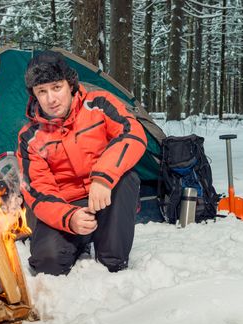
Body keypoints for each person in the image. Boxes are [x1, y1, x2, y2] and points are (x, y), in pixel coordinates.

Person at [16, 50, 147, 275]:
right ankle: (79, 239)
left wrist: (103, 177)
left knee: (126, 177)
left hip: (105, 198)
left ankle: (111, 257)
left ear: (70, 84)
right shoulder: (29, 137)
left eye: (57, 87)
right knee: (47, 265)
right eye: (42, 91)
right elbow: (38, 191)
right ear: (34, 95)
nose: (51, 98)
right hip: (65, 207)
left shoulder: (100, 105)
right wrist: (69, 217)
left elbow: (133, 133)